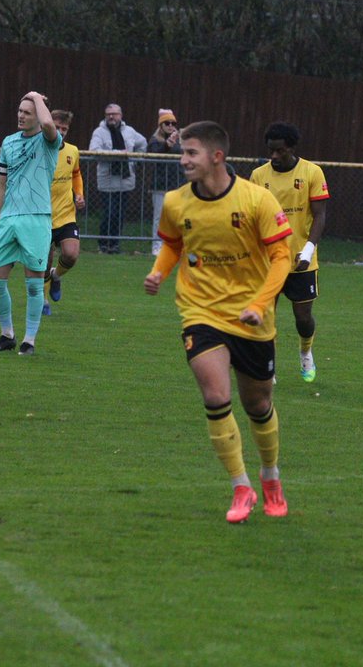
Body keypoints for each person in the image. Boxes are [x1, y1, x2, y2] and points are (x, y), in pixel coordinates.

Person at [144, 121, 294, 523]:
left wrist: (261, 304)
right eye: (182, 152)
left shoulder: (257, 200)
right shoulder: (176, 203)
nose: (183, 160)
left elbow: (283, 258)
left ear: (217, 157)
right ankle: (240, 486)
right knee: (215, 397)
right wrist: (160, 271)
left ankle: (270, 476)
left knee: (258, 404)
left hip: (251, 317)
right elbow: (174, 243)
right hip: (200, 310)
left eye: (191, 153)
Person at [250, 122, 330, 382]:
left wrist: (308, 249)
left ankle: (306, 351)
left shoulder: (312, 172)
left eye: (279, 151)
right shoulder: (258, 176)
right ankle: (268, 365)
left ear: (292, 148)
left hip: (301, 260)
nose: (274, 156)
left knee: (303, 318)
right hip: (269, 260)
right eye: (270, 151)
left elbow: (320, 215)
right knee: (265, 316)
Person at [0, 91, 60, 355]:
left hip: (36, 219)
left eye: (27, 112)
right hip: (8, 219)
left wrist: (35, 96)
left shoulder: (49, 141)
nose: (21, 115)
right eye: (19, 110)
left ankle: (29, 340)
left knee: (33, 283)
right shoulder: (8, 142)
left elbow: (49, 125)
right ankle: (7, 335)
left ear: (39, 116)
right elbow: (0, 184)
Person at [42, 109, 86, 315]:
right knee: (43, 261)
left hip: (66, 215)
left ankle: (56, 276)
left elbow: (76, 175)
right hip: (42, 215)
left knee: (71, 255)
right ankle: (42, 298)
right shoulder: (40, 148)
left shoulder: (72, 151)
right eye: (57, 127)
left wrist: (79, 194)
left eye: (64, 129)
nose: (60, 131)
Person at [89, 103, 146, 253]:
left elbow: (142, 144)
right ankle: (103, 244)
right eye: (108, 114)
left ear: (120, 115)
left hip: (125, 180)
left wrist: (134, 161)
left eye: (114, 114)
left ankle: (114, 244)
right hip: (107, 181)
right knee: (109, 213)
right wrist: (117, 153)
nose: (111, 117)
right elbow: (94, 151)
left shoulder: (129, 131)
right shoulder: (99, 132)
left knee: (120, 215)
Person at [146, 108, 184, 256]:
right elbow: (153, 156)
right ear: (160, 125)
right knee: (159, 217)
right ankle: (157, 246)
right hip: (160, 184)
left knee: (177, 217)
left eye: (173, 123)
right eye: (167, 123)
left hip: (177, 184)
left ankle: (175, 245)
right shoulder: (155, 141)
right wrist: (167, 145)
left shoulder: (178, 141)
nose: (170, 126)